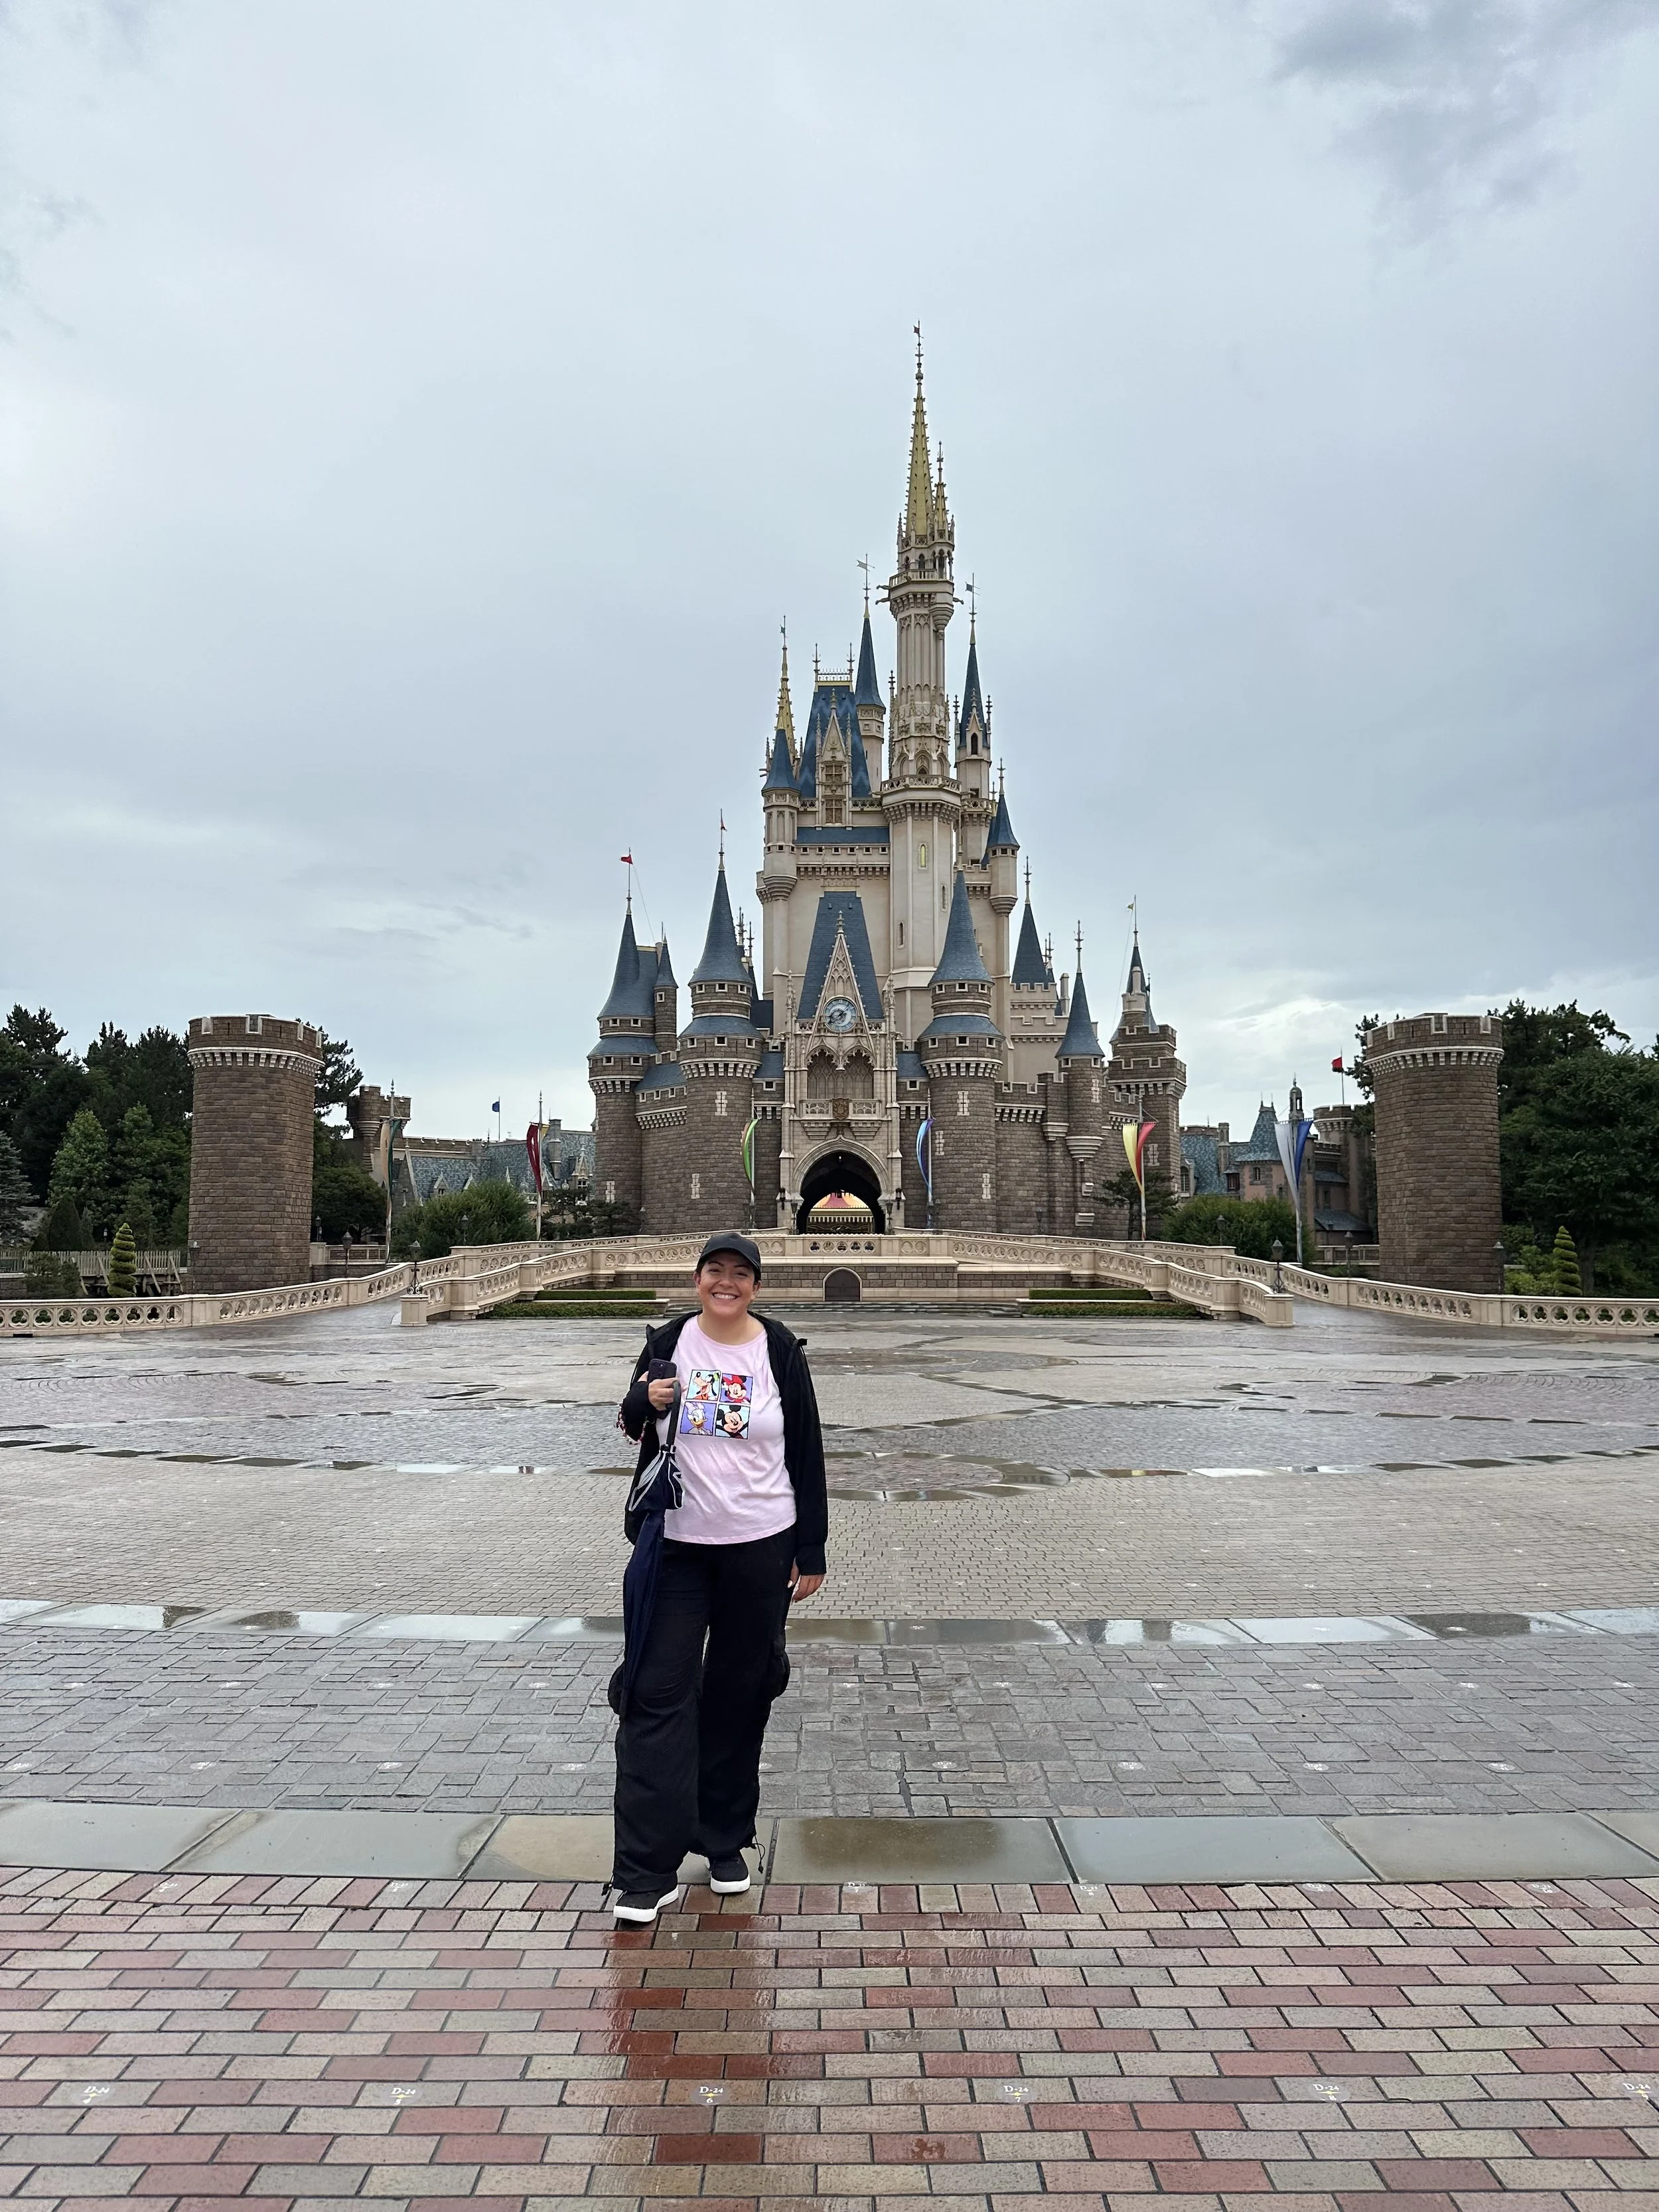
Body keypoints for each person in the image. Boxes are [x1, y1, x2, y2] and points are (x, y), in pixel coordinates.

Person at [609, 1230, 826, 1925]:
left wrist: (812, 1548)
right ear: (697, 1278)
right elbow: (628, 1418)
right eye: (714, 1271)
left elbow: (807, 1451)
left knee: (741, 1691)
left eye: (740, 1274)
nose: (725, 1282)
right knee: (653, 1694)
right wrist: (650, 1399)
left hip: (760, 1545)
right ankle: (645, 1870)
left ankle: (724, 1836)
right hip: (675, 1545)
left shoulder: (780, 1351)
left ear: (756, 1286)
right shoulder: (669, 1341)